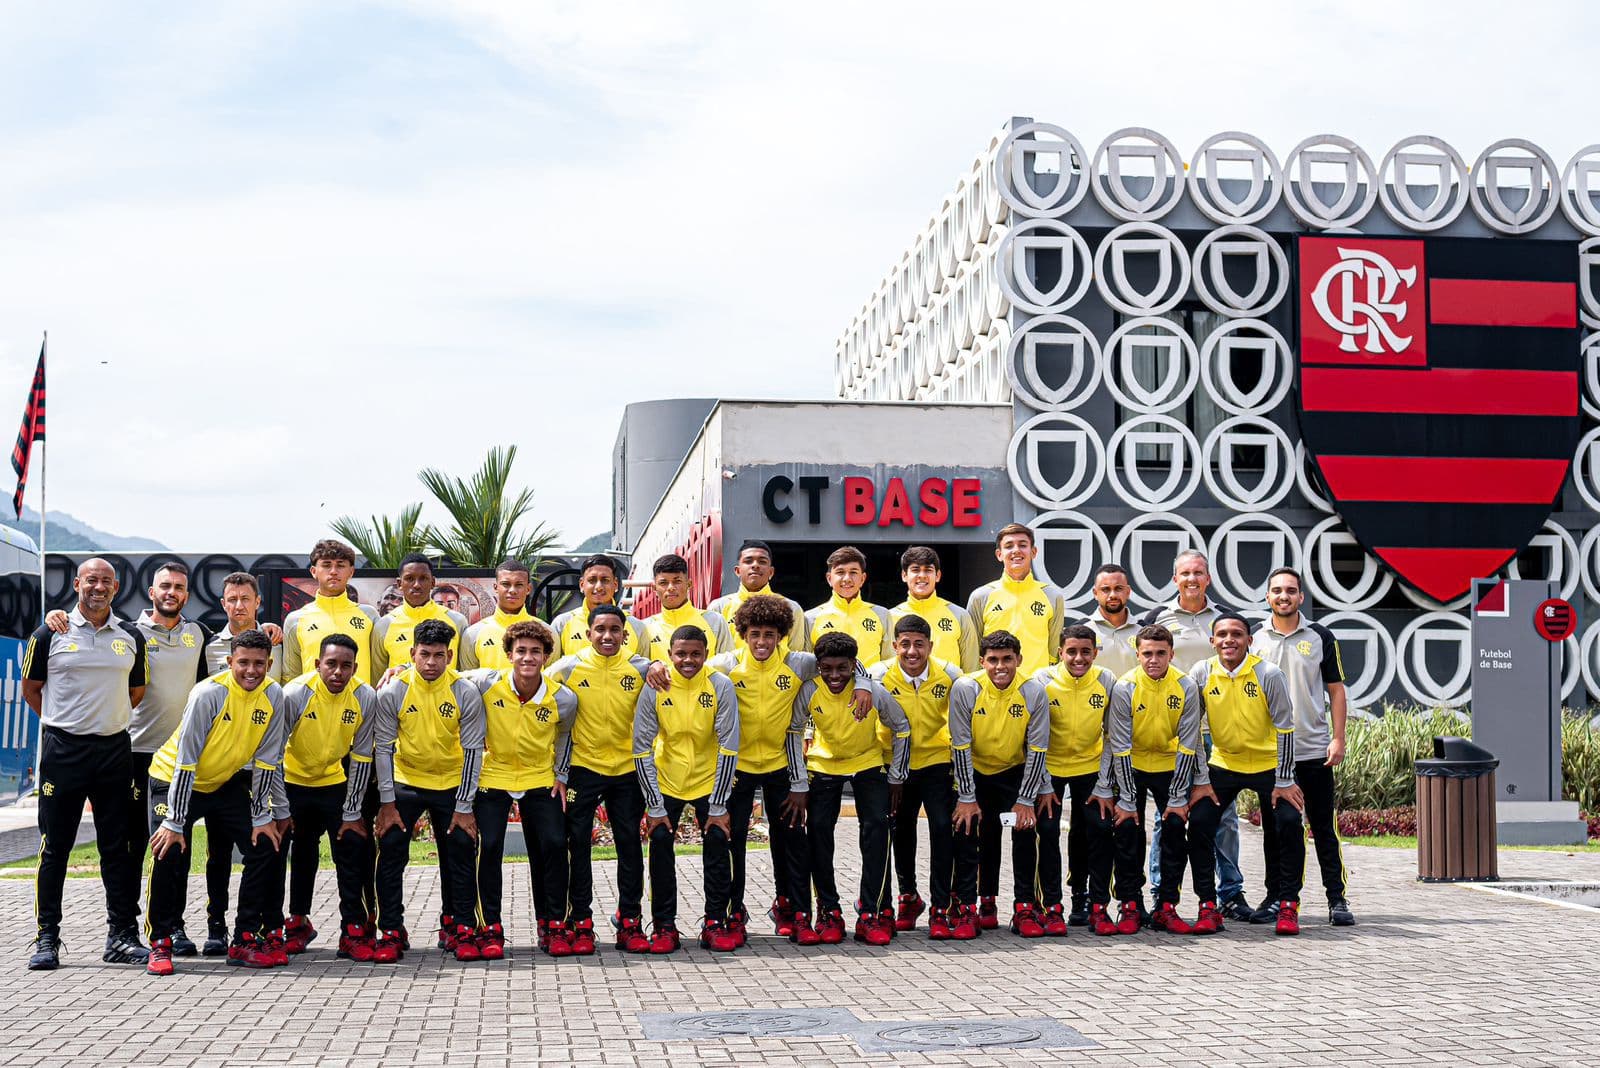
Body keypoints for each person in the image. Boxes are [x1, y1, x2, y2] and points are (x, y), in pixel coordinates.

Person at [47, 561, 216, 956]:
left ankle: (171, 926)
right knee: (130, 846)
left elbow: (226, 664)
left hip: (182, 759)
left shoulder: (199, 635)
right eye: (164, 586)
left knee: (177, 843)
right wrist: (55, 615)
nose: (171, 592)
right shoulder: (128, 633)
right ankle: (126, 930)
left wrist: (270, 629)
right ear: (151, 592)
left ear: (187, 595)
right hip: (135, 754)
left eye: (179, 587)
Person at [707, 594, 867, 946]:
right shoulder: (724, 665)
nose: (762, 641)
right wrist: (655, 668)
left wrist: (866, 685)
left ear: (781, 635)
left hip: (781, 767)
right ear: (743, 635)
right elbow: (682, 668)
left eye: (769, 634)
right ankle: (733, 913)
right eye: (755, 634)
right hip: (737, 768)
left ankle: (794, 910)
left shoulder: (799, 664)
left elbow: (846, 662)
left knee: (792, 840)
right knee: (732, 842)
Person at [21, 558, 150, 970]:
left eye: (106, 582)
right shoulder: (49, 632)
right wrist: (66, 723)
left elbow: (136, 691)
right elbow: (31, 689)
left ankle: (122, 937)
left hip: (114, 750)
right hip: (63, 751)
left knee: (120, 848)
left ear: (116, 588)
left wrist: (102, 719)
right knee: (54, 847)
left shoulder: (130, 635)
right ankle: (46, 938)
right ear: (77, 584)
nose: (98, 587)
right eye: (91, 580)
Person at [143, 629, 288, 975]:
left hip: (221, 782)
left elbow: (268, 762)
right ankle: (160, 942)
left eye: (258, 664)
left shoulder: (274, 695)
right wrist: (176, 821)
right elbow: (186, 761)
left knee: (264, 845)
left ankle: (244, 939)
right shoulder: (208, 693)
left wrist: (262, 816)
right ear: (229, 662)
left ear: (269, 664)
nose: (251, 670)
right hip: (173, 779)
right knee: (168, 849)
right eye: (243, 663)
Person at [1172, 613, 1306, 936]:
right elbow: (1191, 732)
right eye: (1222, 635)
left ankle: (1285, 902)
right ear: (1212, 641)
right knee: (1201, 823)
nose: (1229, 640)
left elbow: (1286, 728)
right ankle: (1208, 905)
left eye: (1236, 634)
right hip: (1224, 765)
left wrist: (1285, 780)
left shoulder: (1268, 674)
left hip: (1270, 765)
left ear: (1249, 641)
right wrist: (1201, 779)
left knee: (1287, 823)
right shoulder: (1201, 673)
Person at [1135, 549, 1246, 920]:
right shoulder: (1157, 618)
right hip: (1172, 732)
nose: (1192, 579)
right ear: (1174, 579)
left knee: (1224, 815)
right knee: (1165, 815)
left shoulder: (1225, 619)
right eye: (1185, 573)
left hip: (1218, 730)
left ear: (1209, 578)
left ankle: (1230, 890)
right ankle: (1158, 891)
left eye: (1198, 572)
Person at [370, 619, 487, 963]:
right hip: (406, 782)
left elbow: (473, 751)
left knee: (461, 850)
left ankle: (459, 926)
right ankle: (391, 929)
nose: (431, 662)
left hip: (450, 785)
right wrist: (387, 802)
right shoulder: (394, 690)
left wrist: (464, 806)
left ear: (450, 655)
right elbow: (383, 748)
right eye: (424, 654)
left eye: (439, 655)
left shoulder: (465, 691)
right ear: (412, 654)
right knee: (390, 849)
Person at [545, 605, 659, 954]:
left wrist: (657, 665)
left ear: (626, 634)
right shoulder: (568, 667)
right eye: (600, 630)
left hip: (627, 771)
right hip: (584, 768)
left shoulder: (641, 668)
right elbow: (529, 681)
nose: (607, 636)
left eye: (615, 630)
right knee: (577, 847)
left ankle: (630, 922)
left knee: (629, 845)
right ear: (588, 633)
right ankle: (581, 923)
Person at [465, 619, 577, 958]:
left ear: (545, 657)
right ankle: (490, 927)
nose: (528, 658)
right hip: (494, 776)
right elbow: (448, 678)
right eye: (521, 651)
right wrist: (399, 669)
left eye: (536, 652)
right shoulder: (486, 683)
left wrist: (561, 774)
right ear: (509, 654)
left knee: (554, 844)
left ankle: (553, 923)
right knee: (491, 845)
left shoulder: (563, 698)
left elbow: (565, 736)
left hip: (539, 777)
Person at [267, 634, 382, 962]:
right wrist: (279, 806)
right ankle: (289, 925)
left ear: (355, 668)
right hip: (291, 782)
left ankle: (354, 929)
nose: (337, 672)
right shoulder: (295, 694)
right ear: (318, 664)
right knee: (286, 851)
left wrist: (352, 810)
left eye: (346, 666)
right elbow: (273, 753)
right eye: (331, 664)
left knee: (353, 847)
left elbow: (361, 757)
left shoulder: (364, 696)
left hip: (334, 781)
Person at [1252, 567, 1356, 927]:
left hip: (1313, 751)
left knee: (1324, 827)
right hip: (1271, 754)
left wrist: (1338, 738)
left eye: (1291, 590)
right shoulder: (1254, 638)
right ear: (1267, 597)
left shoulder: (1321, 636)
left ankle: (1336, 898)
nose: (1284, 596)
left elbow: (1336, 690)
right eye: (1277, 590)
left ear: (1301, 597)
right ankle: (1276, 896)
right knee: (1277, 829)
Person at [794, 632, 910, 946]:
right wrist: (798, 780)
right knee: (818, 832)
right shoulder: (810, 691)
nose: (834, 675)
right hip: (823, 766)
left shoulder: (871, 690)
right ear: (818, 666)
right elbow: (794, 730)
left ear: (854, 666)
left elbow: (902, 727)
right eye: (827, 668)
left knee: (876, 829)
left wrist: (897, 776)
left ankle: (870, 913)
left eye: (842, 668)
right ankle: (829, 911)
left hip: (867, 763)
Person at [633, 625, 740, 952]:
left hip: (709, 780)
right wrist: (654, 805)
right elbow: (641, 747)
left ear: (706, 654)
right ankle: (664, 925)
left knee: (719, 842)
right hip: (668, 778)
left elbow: (729, 746)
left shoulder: (720, 684)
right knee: (661, 841)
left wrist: (719, 805)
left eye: (695, 653)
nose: (688, 660)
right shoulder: (656, 686)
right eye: (681, 654)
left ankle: (715, 921)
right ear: (670, 655)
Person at [1102, 624, 1203, 936]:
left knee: (1174, 827)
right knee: (1128, 829)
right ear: (1138, 655)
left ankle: (1167, 906)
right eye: (1147, 653)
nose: (1154, 659)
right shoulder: (1124, 687)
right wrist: (1128, 800)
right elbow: (1118, 745)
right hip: (1131, 765)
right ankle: (1130, 905)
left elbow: (1189, 743)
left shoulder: (1186, 686)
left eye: (1161, 653)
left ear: (1172, 654)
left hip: (1169, 765)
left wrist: (1176, 798)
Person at [950, 630, 1050, 938]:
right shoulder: (966, 688)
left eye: (1008, 659)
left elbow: (1037, 748)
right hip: (975, 772)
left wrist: (1025, 800)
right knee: (969, 832)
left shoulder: (1033, 691)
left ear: (1019, 660)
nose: (1000, 666)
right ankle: (973, 906)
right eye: (992, 660)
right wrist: (967, 797)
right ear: (982, 661)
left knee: (1024, 831)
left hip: (1013, 772)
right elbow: (960, 746)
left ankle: (1024, 907)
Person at [871, 614, 963, 937]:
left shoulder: (950, 675)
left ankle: (941, 907)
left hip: (936, 763)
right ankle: (908, 897)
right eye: (905, 644)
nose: (912, 651)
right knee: (901, 829)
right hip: (895, 766)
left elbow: (962, 719)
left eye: (919, 644)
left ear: (930, 646)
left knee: (941, 827)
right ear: (894, 645)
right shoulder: (878, 676)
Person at [1032, 624, 1119, 932]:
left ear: (1095, 652)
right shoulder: (1043, 681)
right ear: (1060, 653)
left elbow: (1113, 737)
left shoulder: (1107, 680)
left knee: (1096, 829)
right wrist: (1041, 783)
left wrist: (1104, 784)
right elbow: (1034, 738)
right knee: (1047, 831)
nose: (1079, 658)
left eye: (1086, 652)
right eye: (1072, 652)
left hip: (1090, 767)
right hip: (1050, 769)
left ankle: (1093, 903)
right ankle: (1051, 905)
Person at [965, 523, 1069, 675]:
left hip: (1037, 688)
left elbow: (1055, 651)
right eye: (1009, 546)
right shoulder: (981, 596)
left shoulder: (1052, 597)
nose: (1016, 550)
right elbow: (973, 650)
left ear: (1033, 552)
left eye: (1022, 545)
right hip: (993, 687)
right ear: (999, 554)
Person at [283, 539, 380, 684]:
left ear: (351, 572)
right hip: (313, 705)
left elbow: (379, 670)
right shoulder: (296, 620)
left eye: (340, 565)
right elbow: (291, 677)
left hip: (359, 705)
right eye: (327, 565)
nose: (334, 571)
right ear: (314, 571)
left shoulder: (369, 615)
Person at [372, 554, 469, 674]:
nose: (417, 585)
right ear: (399, 583)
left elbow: (464, 674)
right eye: (409, 578)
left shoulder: (456, 621)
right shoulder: (385, 625)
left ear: (433, 582)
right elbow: (378, 677)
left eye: (423, 578)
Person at [708, 539, 808, 652]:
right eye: (748, 561)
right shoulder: (718, 608)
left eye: (762, 561)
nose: (755, 565)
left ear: (771, 572)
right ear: (737, 571)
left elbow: (796, 654)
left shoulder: (791, 608)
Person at [890, 546, 978, 671]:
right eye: (915, 570)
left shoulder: (959, 615)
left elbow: (972, 668)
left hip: (949, 689)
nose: (922, 575)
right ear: (904, 575)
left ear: (938, 575)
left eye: (928, 570)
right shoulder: (889, 617)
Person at [805, 546, 893, 666]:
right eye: (840, 572)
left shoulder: (882, 614)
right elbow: (807, 665)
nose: (847, 578)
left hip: (870, 684)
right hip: (826, 684)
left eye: (853, 572)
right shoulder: (810, 618)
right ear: (829, 578)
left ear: (862, 578)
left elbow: (890, 662)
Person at [640, 553, 733, 660]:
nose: (671, 588)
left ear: (689, 584)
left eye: (677, 581)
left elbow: (728, 665)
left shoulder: (714, 621)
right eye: (663, 583)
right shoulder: (645, 628)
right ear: (654, 588)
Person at [551, 554, 647, 657]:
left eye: (605, 580)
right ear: (582, 585)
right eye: (592, 580)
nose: (599, 587)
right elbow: (550, 669)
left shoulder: (636, 627)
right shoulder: (562, 624)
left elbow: (645, 668)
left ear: (615, 584)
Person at [204, 572, 285, 682]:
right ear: (223, 604)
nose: (239, 606)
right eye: (232, 599)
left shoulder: (277, 640)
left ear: (257, 602)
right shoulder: (210, 647)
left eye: (245, 599)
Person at [459, 559, 535, 670]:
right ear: (495, 587)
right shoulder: (473, 634)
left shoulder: (546, 632)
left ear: (528, 589)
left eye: (519, 585)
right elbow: (468, 682)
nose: (512, 590)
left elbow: (551, 679)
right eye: (506, 584)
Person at [1067, 564, 1139, 680]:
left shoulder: (1143, 630)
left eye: (1118, 588)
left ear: (1128, 592)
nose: (1113, 595)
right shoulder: (1080, 630)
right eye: (1105, 589)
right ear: (1095, 593)